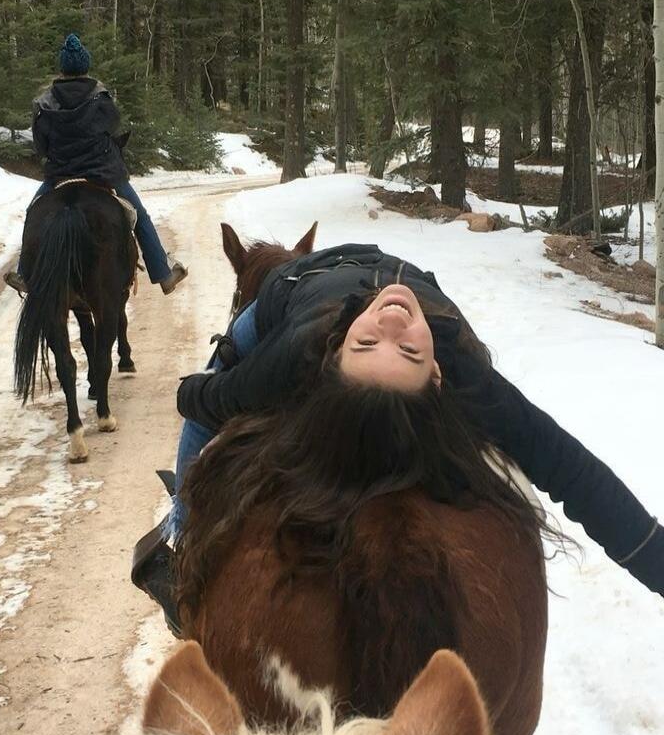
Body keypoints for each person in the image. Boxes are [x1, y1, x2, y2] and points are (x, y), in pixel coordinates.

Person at [134, 243, 662, 622]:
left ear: (337, 348)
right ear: (435, 374)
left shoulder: (294, 354)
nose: (389, 325)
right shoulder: (457, 363)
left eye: (367, 347)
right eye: (408, 350)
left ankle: (182, 543)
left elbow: (209, 399)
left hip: (294, 287)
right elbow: (572, 472)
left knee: (208, 408)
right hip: (424, 290)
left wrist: (190, 388)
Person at [4, 34, 187, 295]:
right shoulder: (101, 98)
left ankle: (24, 273)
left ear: (62, 69)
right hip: (102, 172)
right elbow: (113, 128)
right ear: (86, 67)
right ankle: (162, 273)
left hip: (60, 175)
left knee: (34, 212)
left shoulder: (44, 102)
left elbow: (41, 146)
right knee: (140, 216)